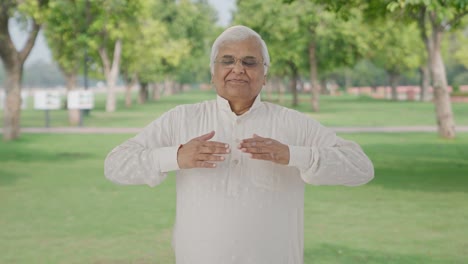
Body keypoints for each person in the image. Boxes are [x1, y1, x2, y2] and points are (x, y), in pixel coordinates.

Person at [104, 25, 374, 264]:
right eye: (228, 60)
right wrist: (175, 157)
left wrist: (293, 154)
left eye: (250, 61)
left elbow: (361, 168)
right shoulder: (181, 119)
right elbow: (115, 165)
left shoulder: (294, 124)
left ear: (265, 74)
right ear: (213, 72)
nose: (238, 69)